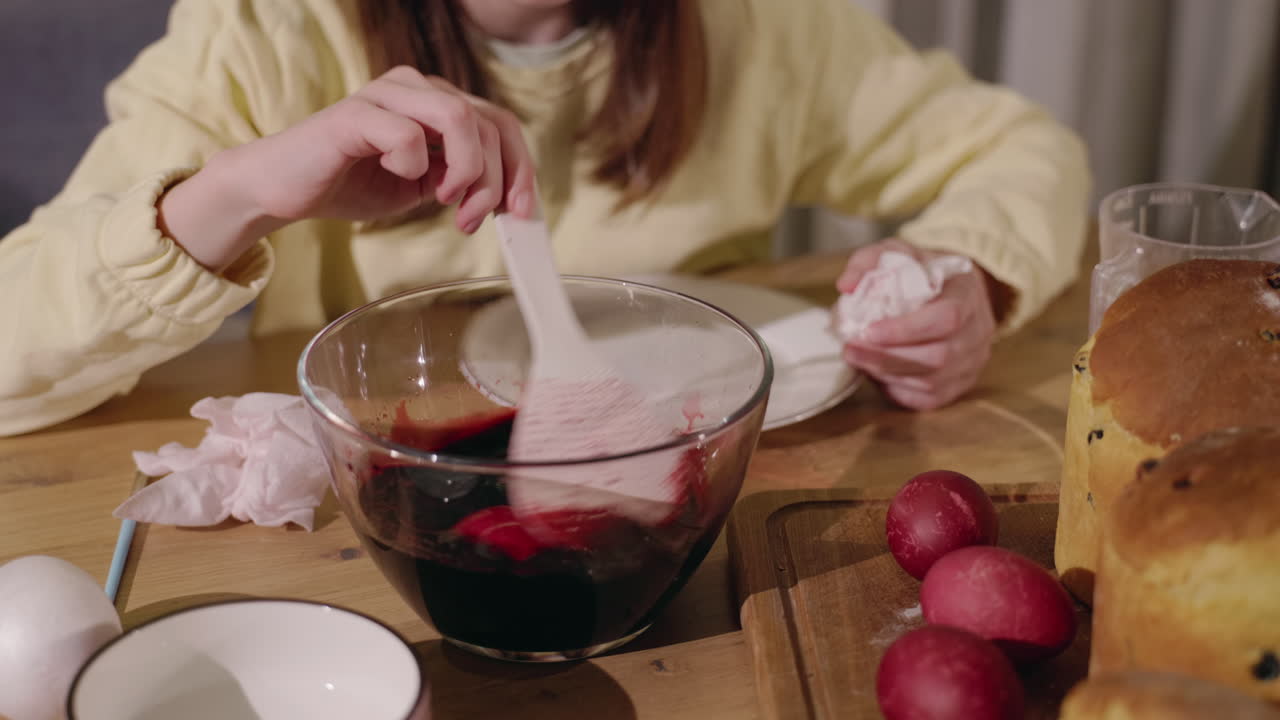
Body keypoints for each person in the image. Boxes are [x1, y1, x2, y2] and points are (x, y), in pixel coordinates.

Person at [0, 0, 1090, 437]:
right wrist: (234, 194)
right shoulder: (264, 29)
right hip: (387, 484)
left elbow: (1021, 151)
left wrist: (969, 274)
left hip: (724, 480)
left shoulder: (761, 20)